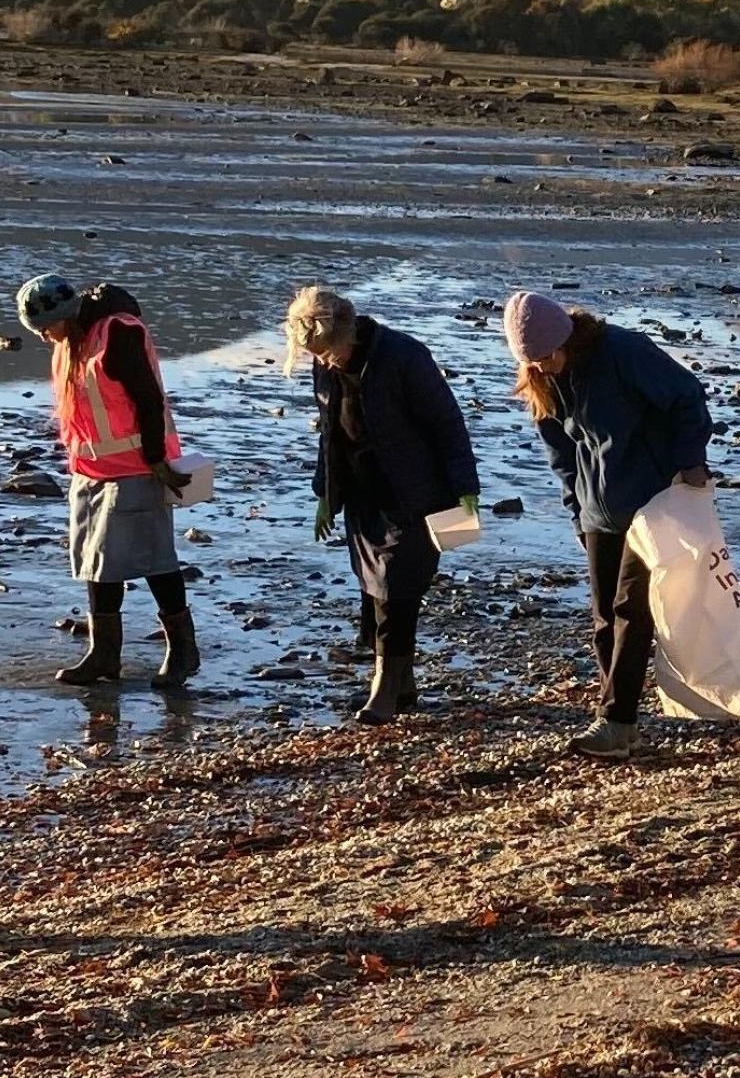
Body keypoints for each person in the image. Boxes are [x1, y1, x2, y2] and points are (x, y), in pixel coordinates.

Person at [503, 291, 714, 759]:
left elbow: (688, 398)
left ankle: (617, 721)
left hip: (652, 501)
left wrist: (690, 464)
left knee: (629, 610)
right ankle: (620, 715)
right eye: (530, 361)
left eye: (545, 357)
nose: (539, 367)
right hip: (598, 509)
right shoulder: (541, 378)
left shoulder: (624, 352)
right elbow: (560, 452)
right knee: (604, 617)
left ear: (567, 339)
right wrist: (576, 511)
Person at [284, 287, 479, 724]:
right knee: (373, 587)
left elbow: (447, 422)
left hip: (415, 492)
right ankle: (401, 683)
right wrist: (324, 494)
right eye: (315, 355)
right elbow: (329, 435)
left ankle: (384, 688)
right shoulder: (325, 364)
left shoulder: (404, 357)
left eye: (327, 352)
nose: (324, 362)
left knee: (395, 587)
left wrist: (465, 487)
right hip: (362, 491)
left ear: (347, 332)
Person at [14, 274, 201, 688]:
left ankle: (183, 650)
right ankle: (104, 655)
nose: (45, 338)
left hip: (138, 465)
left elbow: (149, 400)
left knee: (155, 559)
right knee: (96, 563)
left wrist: (156, 459)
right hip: (92, 470)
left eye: (46, 329)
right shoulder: (72, 342)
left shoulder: (116, 335)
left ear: (64, 316)